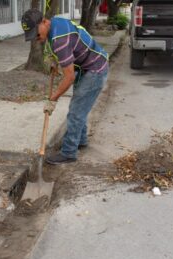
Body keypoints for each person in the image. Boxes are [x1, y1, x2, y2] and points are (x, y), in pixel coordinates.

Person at [21, 9, 109, 165]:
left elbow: (69, 78)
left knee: (76, 110)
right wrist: (56, 62)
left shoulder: (59, 40)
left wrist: (53, 98)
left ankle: (69, 153)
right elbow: (68, 50)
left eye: (36, 32)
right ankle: (79, 141)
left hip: (95, 69)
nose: (35, 37)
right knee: (79, 107)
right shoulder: (55, 24)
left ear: (44, 22)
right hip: (85, 66)